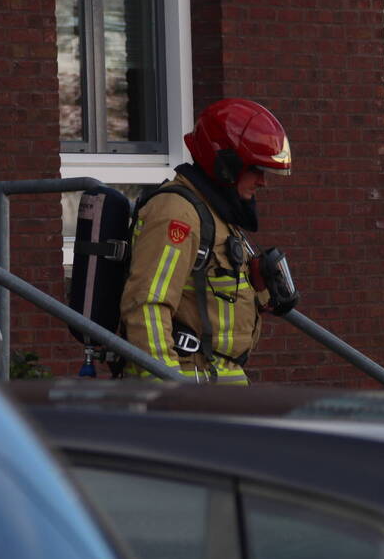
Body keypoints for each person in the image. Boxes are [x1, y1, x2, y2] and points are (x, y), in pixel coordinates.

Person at [119, 98, 292, 384]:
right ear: (226, 164)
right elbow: (147, 304)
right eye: (255, 170)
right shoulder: (178, 213)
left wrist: (259, 287)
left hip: (217, 383)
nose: (263, 181)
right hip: (190, 386)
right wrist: (167, 388)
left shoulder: (217, 214)